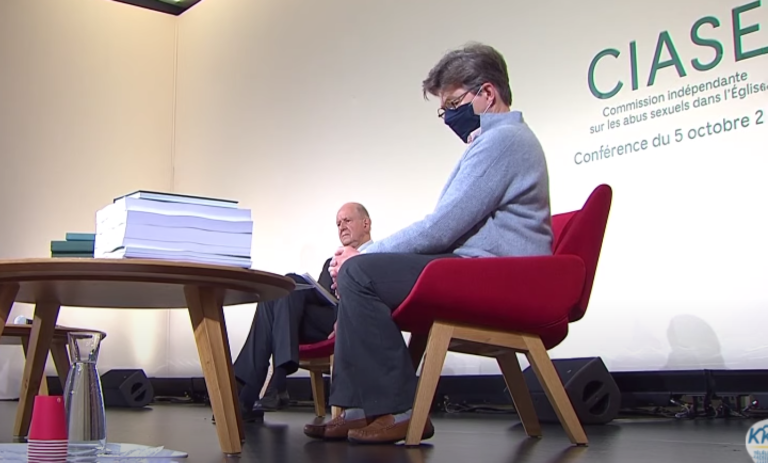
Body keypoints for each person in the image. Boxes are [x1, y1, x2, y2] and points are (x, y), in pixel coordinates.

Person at [303, 43, 554, 444]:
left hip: (496, 275)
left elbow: (440, 228)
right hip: (480, 266)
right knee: (358, 272)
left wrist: (362, 253)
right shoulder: (491, 142)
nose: (449, 116)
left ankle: (399, 409)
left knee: (360, 272)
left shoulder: (504, 140)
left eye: (453, 104)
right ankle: (358, 408)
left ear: (488, 93)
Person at [229, 202, 373, 422]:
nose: (342, 226)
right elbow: (321, 300)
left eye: (347, 220)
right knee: (283, 289)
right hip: (322, 322)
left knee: (288, 287)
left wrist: (343, 317)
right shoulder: (331, 262)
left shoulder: (376, 256)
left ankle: (249, 386)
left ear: (366, 223)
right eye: (338, 223)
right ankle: (261, 392)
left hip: (349, 322)